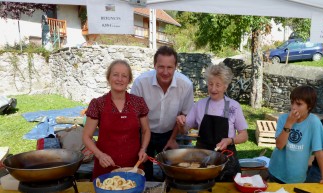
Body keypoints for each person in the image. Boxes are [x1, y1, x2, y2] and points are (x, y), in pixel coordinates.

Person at [131, 46, 194, 181]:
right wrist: (142, 145)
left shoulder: (186, 85)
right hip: (143, 132)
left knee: (171, 174)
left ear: (176, 67)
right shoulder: (141, 83)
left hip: (169, 133)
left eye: (169, 67)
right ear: (154, 65)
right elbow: (133, 115)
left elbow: (183, 115)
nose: (165, 72)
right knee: (143, 173)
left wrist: (172, 139)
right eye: (161, 67)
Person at [176, 63, 248, 181]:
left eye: (218, 85)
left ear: (226, 86)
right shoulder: (199, 104)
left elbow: (244, 136)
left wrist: (230, 140)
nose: (213, 89)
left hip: (226, 159)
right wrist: (181, 124)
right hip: (202, 158)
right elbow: (184, 131)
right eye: (210, 84)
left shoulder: (234, 107)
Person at [83, 59, 150, 179]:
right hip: (105, 168)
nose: (119, 79)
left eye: (124, 76)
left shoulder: (138, 103)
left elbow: (146, 131)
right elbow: (86, 137)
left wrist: (143, 149)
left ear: (129, 80)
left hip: (133, 167)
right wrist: (99, 155)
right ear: (108, 77)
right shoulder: (97, 104)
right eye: (115, 75)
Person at [268, 85, 323, 188]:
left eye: (299, 104)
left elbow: (319, 151)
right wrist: (289, 124)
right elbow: (279, 145)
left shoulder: (314, 122)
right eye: (292, 103)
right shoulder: (284, 118)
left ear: (309, 106)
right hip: (276, 171)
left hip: (297, 176)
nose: (293, 107)